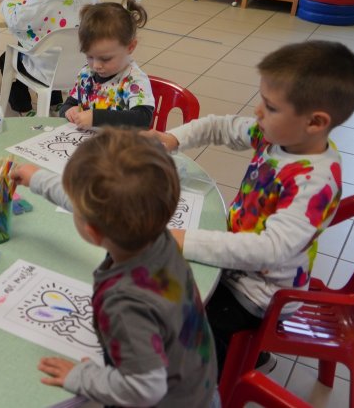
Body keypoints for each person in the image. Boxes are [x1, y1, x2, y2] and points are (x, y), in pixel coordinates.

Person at [145, 40, 354, 375]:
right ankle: (245, 354)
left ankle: (222, 369)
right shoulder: (280, 137)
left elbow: (267, 250)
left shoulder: (314, 182)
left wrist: (184, 240)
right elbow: (219, 126)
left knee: (178, 332)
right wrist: (174, 138)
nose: (258, 112)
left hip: (257, 295)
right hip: (236, 264)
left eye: (270, 107)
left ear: (315, 122)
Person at [11, 129, 218, 406]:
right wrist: (38, 178)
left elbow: (145, 389)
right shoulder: (154, 230)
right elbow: (97, 206)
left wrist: (82, 377)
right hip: (199, 388)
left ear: (92, 231)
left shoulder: (125, 302)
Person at [58, 0, 155, 128]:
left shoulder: (134, 81)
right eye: (90, 56)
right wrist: (69, 111)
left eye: (105, 59)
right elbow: (69, 104)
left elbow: (143, 119)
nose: (96, 66)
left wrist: (96, 118)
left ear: (130, 47)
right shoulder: (86, 74)